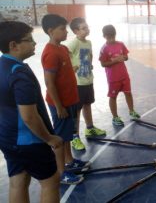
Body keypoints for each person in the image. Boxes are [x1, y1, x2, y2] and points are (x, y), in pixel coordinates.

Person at [0, 21, 62, 202]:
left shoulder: (2, 66)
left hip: (7, 137)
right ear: (13, 45)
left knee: (18, 180)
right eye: (29, 39)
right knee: (50, 181)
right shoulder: (18, 73)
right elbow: (29, 116)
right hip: (30, 141)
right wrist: (50, 139)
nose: (35, 43)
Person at [41, 14, 89, 184]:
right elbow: (49, 83)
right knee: (60, 138)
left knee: (67, 135)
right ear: (50, 31)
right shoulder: (50, 53)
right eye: (62, 29)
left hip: (70, 101)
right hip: (60, 104)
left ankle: (70, 161)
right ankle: (62, 172)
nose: (66, 32)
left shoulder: (62, 49)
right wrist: (59, 107)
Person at [67, 17, 106, 151]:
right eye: (84, 28)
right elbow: (65, 53)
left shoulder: (88, 42)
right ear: (76, 31)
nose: (87, 30)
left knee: (87, 105)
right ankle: (75, 136)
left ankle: (89, 128)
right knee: (76, 111)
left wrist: (90, 64)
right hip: (78, 82)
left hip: (88, 79)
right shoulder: (73, 43)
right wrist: (71, 67)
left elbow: (90, 56)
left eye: (87, 27)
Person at [99, 24, 141, 126]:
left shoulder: (120, 44)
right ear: (104, 36)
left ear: (115, 34)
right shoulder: (104, 48)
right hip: (113, 78)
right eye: (109, 37)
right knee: (113, 97)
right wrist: (115, 61)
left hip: (124, 75)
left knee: (128, 93)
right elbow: (103, 64)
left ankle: (132, 111)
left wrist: (124, 58)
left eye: (113, 37)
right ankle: (115, 117)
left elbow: (126, 56)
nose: (111, 39)